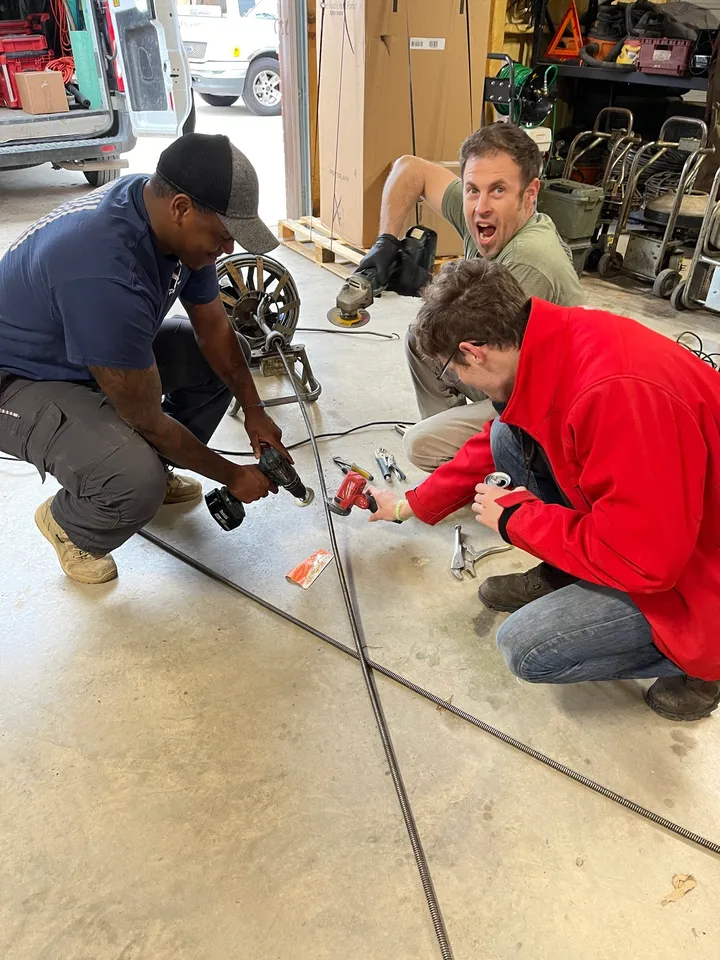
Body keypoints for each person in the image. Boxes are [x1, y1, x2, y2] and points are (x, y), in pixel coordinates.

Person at [368, 257, 720, 722]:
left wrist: (517, 518)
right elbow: (492, 441)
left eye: (452, 369)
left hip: (698, 566)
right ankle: (574, 570)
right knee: (505, 436)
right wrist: (408, 506)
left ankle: (701, 664)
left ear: (474, 352)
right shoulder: (551, 344)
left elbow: (648, 563)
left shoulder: (614, 398)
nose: (457, 380)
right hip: (667, 520)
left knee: (528, 648)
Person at [0, 133, 287, 585]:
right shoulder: (104, 269)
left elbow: (214, 328)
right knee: (136, 481)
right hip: (19, 380)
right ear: (181, 208)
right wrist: (232, 475)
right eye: (224, 236)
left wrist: (253, 409)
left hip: (85, 352)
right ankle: (70, 523)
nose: (228, 250)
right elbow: (148, 418)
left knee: (219, 360)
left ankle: (149, 463)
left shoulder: (166, 216)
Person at [356, 122, 584, 473]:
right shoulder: (485, 218)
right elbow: (410, 169)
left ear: (529, 194)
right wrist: (385, 242)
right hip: (507, 371)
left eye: (498, 190)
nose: (481, 206)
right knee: (421, 338)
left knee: (421, 445)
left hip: (542, 403)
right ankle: (462, 454)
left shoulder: (529, 259)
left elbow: (485, 356)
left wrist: (426, 287)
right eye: (473, 190)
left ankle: (494, 466)